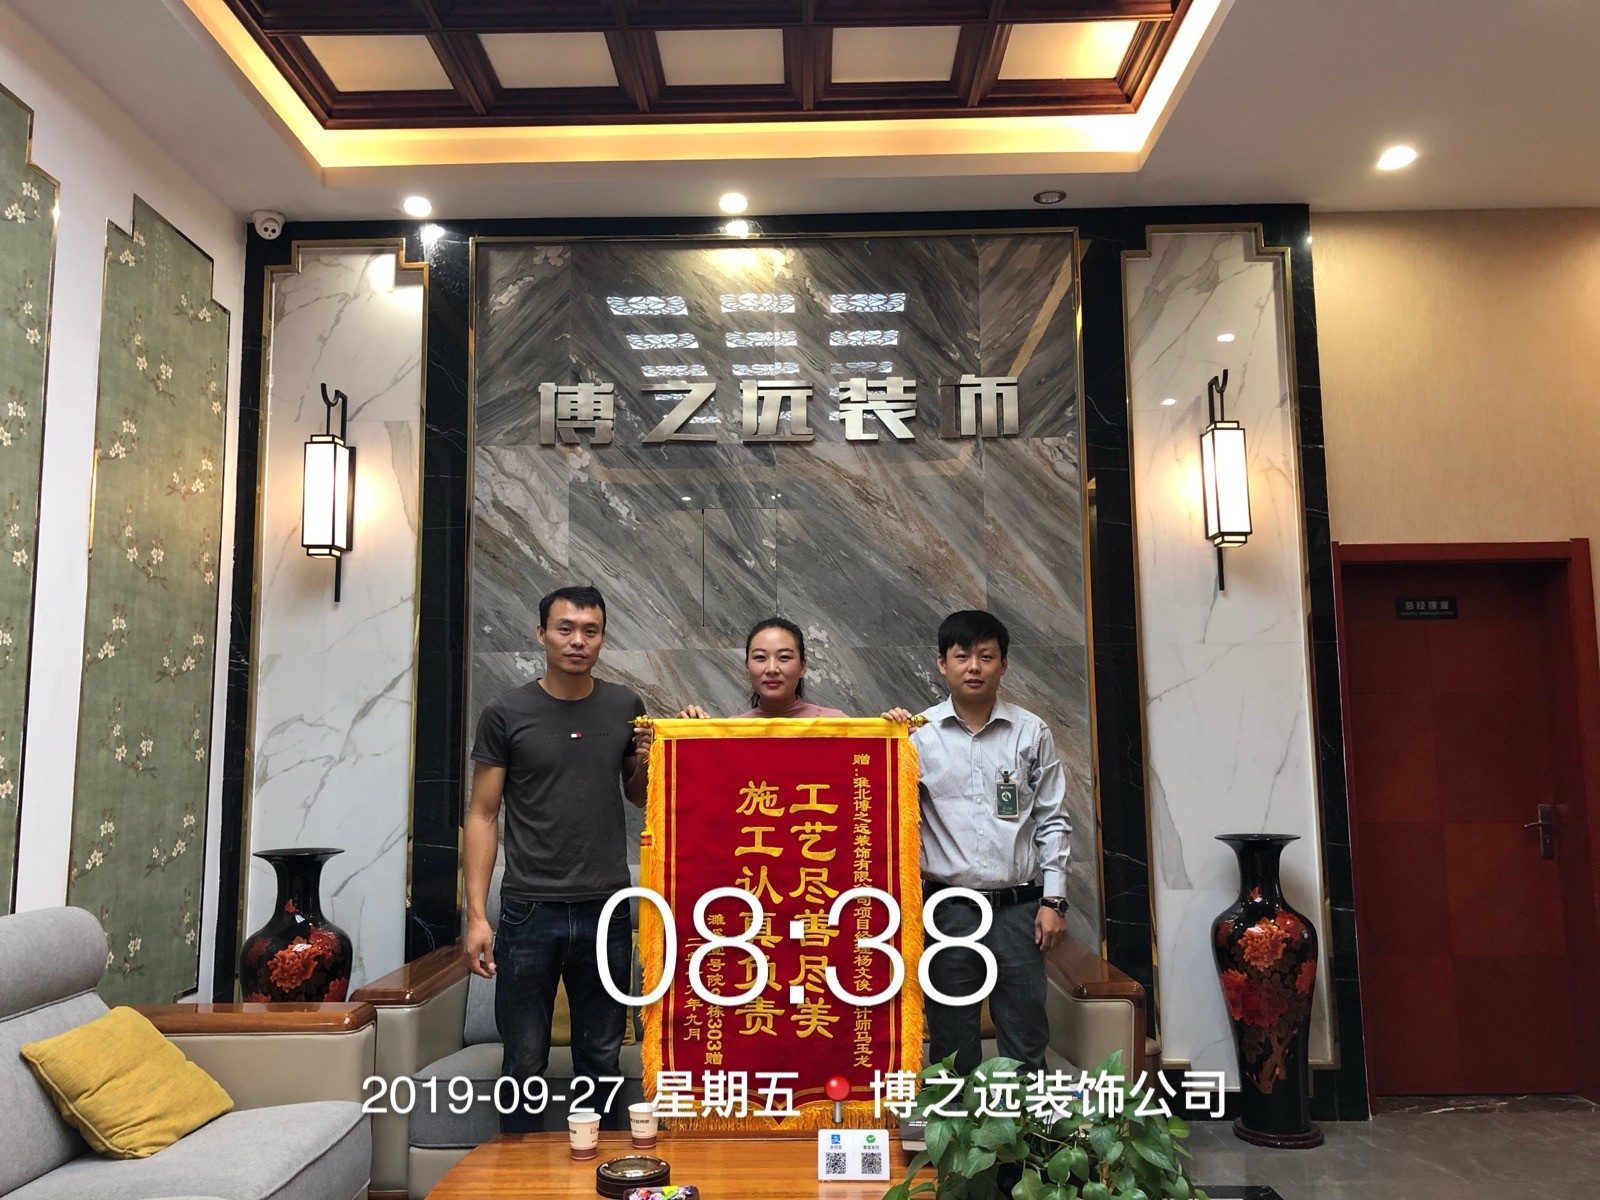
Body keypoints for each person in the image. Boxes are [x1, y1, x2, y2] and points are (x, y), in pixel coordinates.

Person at [462, 584, 650, 1133]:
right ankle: (520, 1172)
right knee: (522, 1061)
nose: (577, 641)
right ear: (541, 633)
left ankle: (601, 1168)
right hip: (528, 909)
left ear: (603, 638)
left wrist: (645, 761)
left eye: (590, 631)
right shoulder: (505, 713)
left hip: (607, 909)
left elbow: (639, 795)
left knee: (602, 1060)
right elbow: (482, 815)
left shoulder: (625, 705)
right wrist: (477, 916)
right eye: (565, 629)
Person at [897, 609, 1071, 1075]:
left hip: (1020, 911)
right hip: (947, 910)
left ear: (1004, 664)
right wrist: (887, 736)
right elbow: (889, 815)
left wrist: (1054, 900)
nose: (974, 667)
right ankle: (954, 1125)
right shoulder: (917, 736)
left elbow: (1053, 818)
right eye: (962, 656)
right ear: (942, 664)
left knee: (1025, 1037)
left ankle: (1024, 1123)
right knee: (952, 1043)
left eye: (986, 656)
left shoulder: (1031, 732)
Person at [676, 616, 846, 719]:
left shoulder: (838, 725)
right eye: (760, 658)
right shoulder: (732, 733)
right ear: (747, 668)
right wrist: (684, 738)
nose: (771, 669)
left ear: (802, 667)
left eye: (784, 657)